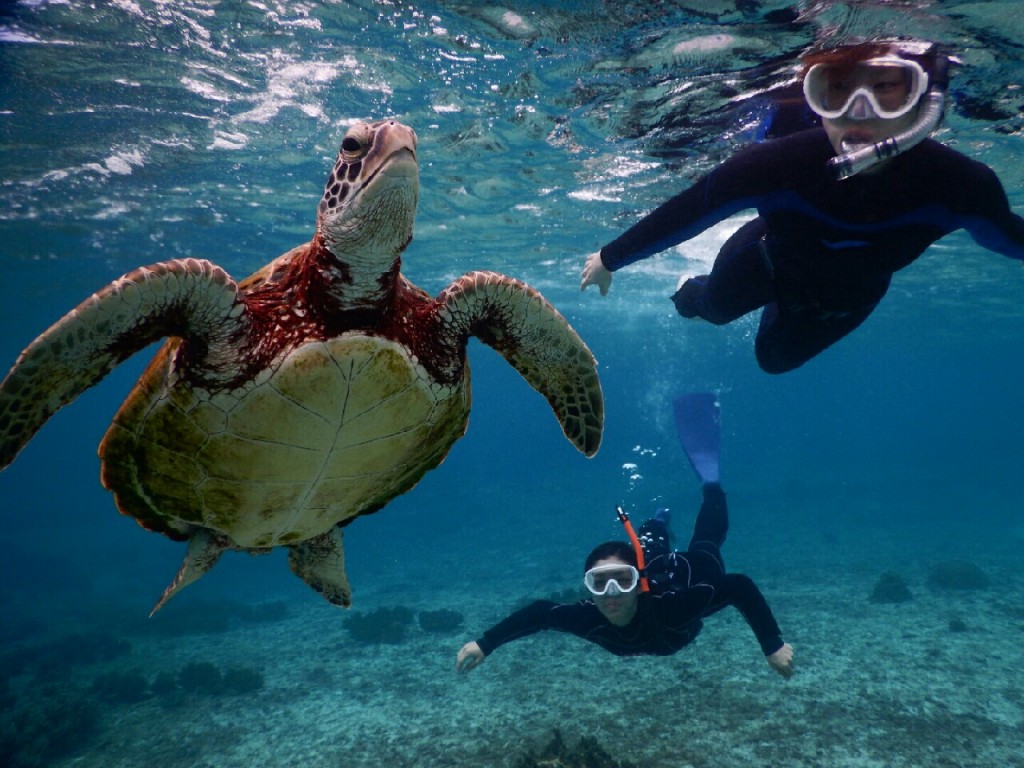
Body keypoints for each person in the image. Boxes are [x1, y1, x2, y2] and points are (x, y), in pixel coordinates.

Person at [579, 39, 1024, 374]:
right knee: (708, 310)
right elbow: (691, 210)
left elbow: (1010, 238)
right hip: (764, 261)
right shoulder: (776, 164)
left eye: (887, 88)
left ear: (925, 102)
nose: (858, 111)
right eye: (838, 91)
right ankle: (695, 286)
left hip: (850, 299)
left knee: (773, 362)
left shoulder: (961, 186)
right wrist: (609, 258)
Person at [455, 393, 795, 678]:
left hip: (683, 577)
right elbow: (541, 612)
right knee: (648, 545)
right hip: (651, 570)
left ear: (637, 582)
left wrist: (772, 645)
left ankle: (711, 485)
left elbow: (739, 587)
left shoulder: (675, 609)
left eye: (622, 580)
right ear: (587, 586)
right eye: (600, 582)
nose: (612, 593)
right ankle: (657, 523)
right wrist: (486, 644)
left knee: (705, 544)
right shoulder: (587, 616)